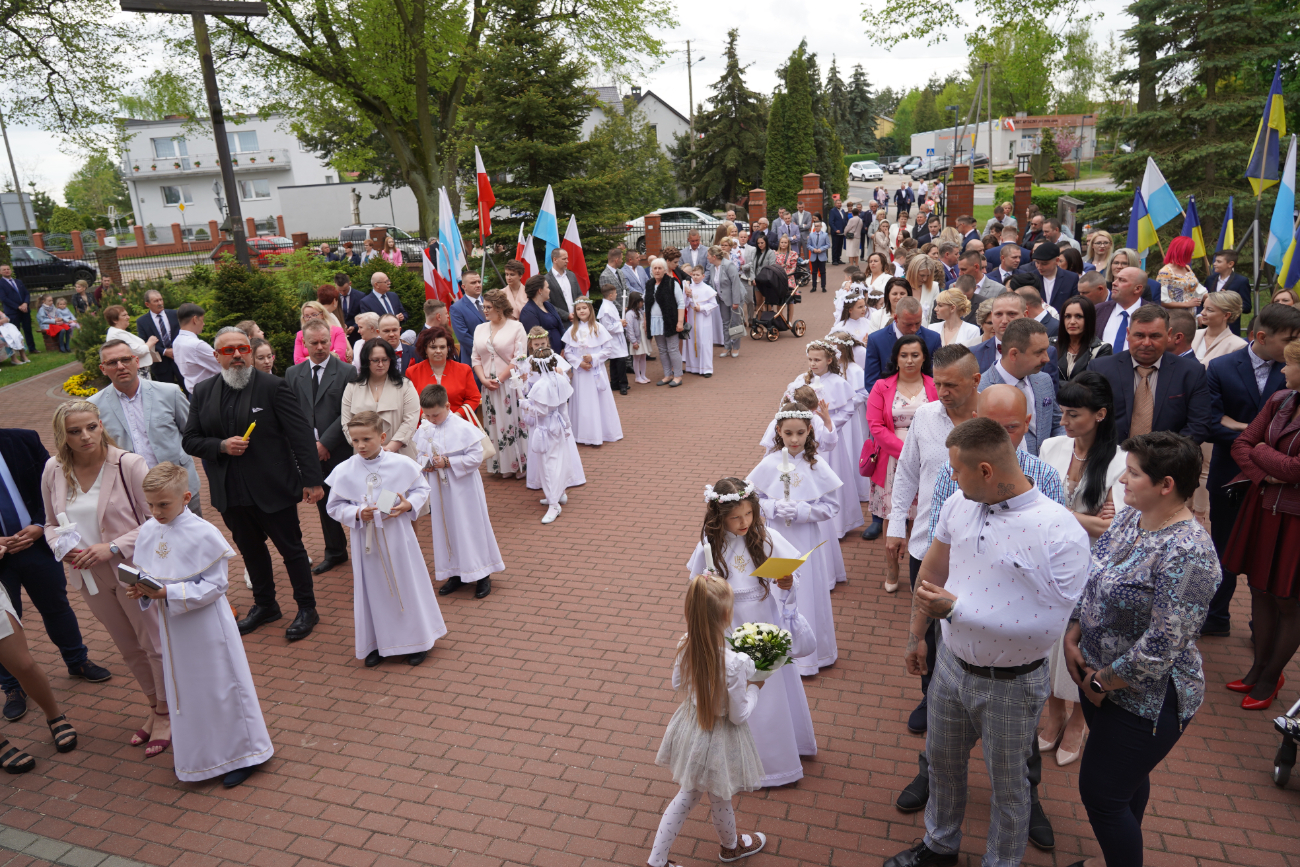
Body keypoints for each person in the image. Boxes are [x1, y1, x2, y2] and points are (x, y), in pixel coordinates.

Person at [885, 417, 1089, 867]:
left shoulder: (1059, 531)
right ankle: (939, 846)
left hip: (1011, 684)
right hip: (950, 668)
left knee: (1010, 787)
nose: (950, 478)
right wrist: (917, 634)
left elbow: (1045, 627)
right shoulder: (959, 503)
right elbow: (933, 571)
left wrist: (955, 611)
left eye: (957, 470)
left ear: (985, 470)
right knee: (942, 764)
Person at [1066, 432, 1218, 867]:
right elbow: (1094, 573)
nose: (1122, 480)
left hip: (1146, 700)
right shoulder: (1133, 517)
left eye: (1132, 473)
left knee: (1102, 795)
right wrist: (1074, 631)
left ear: (1166, 485)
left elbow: (1163, 644)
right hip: (1097, 680)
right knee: (1125, 784)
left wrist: (1102, 681)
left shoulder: (1190, 552)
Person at [127, 462, 274, 788]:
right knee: (188, 690)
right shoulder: (150, 530)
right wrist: (143, 589)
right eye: (150, 505)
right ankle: (201, 756)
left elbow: (216, 585)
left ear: (186, 497)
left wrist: (167, 593)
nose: (156, 512)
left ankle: (245, 754)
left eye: (163, 504)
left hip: (207, 626)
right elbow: (151, 573)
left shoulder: (203, 532)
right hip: (174, 627)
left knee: (221, 688)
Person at [40, 402, 170, 755]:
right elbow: (50, 523)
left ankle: (167, 712)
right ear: (62, 435)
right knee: (128, 647)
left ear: (101, 425)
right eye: (75, 431)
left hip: (132, 569)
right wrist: (61, 547)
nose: (85, 436)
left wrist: (112, 547)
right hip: (88, 576)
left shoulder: (128, 464)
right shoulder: (54, 469)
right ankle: (154, 706)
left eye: (91, 427)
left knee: (154, 644)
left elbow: (157, 519)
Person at [181, 327, 324, 642]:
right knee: (251, 551)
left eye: (242, 349)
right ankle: (266, 605)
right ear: (216, 356)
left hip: (272, 487)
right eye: (228, 350)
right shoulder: (203, 391)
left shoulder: (273, 386)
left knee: (292, 551)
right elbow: (190, 439)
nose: (237, 355)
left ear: (249, 352)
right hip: (230, 491)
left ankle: (307, 608)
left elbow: (300, 435)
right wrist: (221, 446)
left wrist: (312, 480)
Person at [685, 476, 814, 785]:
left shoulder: (766, 538)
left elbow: (790, 577)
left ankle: (778, 759)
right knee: (736, 688)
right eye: (735, 517)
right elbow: (697, 591)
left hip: (765, 623)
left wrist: (787, 582)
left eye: (748, 514)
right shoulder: (709, 549)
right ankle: (739, 762)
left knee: (771, 687)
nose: (744, 522)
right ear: (719, 517)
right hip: (729, 629)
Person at [885, 345, 981, 735]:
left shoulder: (994, 418)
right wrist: (896, 525)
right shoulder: (925, 417)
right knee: (927, 629)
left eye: (951, 385)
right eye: (938, 383)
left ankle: (971, 701)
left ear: (975, 380)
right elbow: (907, 472)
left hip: (976, 552)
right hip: (926, 546)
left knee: (968, 627)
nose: (942, 392)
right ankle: (931, 697)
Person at [1037, 373, 1127, 769]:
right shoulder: (1051, 446)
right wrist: (1085, 518)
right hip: (1048, 561)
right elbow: (1033, 501)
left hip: (1092, 568)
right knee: (1048, 639)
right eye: (1062, 412)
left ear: (1100, 415)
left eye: (1073, 414)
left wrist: (1059, 513)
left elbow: (1114, 528)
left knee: (1082, 642)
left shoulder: (1121, 461)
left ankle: (1079, 720)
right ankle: (1054, 712)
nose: (1064, 421)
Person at [646, 574, 768, 867]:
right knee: (708, 795)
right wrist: (755, 689)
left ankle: (725, 846)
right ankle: (719, 849)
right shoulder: (735, 663)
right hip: (720, 738)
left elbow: (677, 684)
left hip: (691, 728)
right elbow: (738, 715)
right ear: (726, 615)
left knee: (698, 794)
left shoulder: (685, 643)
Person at [0, 427, 112, 722]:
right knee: (4, 626)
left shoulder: (22, 440)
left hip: (36, 544)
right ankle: (12, 687)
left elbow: (51, 488)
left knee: (56, 605)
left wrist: (40, 525)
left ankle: (77, 660)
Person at [1202, 303, 1300, 637]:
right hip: (1230, 477)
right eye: (1289, 339)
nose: (1294, 346)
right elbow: (1211, 423)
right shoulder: (1221, 367)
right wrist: (1258, 444)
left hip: (1280, 487)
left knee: (1270, 557)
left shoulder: (1293, 370)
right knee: (1223, 549)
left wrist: (1250, 436)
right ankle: (1216, 616)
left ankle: (1264, 630)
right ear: (1261, 336)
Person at [326, 412, 446, 667]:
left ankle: (419, 641)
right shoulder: (345, 470)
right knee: (374, 592)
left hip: (397, 535)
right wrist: (357, 512)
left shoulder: (401, 463)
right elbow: (334, 507)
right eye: (355, 440)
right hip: (366, 541)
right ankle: (378, 643)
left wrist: (407, 505)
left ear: (382, 437)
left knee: (407, 584)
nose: (360, 445)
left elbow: (421, 489)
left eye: (366, 439)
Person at [1222, 338, 1300, 708]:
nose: (1283, 370)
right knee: (1259, 589)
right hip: (1264, 504)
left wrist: (1262, 452)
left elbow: (1296, 469)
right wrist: (1265, 473)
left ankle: (1270, 678)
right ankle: (1257, 670)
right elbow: (1241, 444)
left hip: (1295, 519)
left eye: (1290, 364)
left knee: (1288, 599)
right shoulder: (1280, 400)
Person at [746, 405, 842, 672]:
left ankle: (810, 657)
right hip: (776, 536)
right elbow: (753, 499)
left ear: (809, 430)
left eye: (800, 433)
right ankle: (776, 651)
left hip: (805, 537)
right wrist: (772, 507)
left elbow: (831, 506)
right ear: (778, 431)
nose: (795, 439)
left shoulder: (817, 464)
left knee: (807, 588)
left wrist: (802, 511)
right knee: (777, 588)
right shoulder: (770, 463)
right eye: (788, 433)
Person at [89, 339, 202, 515]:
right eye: (112, 362)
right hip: (133, 495)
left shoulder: (169, 393)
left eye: (125, 359)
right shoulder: (94, 407)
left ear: (136, 361)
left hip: (179, 487)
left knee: (192, 532)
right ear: (103, 369)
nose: (120, 366)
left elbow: (193, 432)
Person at [414, 385, 503, 598]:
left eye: (435, 414)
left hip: (464, 488)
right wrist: (426, 464)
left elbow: (476, 457)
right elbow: (419, 455)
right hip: (440, 490)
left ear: (447, 406)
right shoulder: (426, 428)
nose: (431, 419)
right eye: (427, 415)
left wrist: (448, 462)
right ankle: (455, 572)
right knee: (447, 528)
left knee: (470, 526)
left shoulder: (463, 427)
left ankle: (482, 573)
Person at [285, 321, 359, 576]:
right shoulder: (293, 374)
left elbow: (348, 412)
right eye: (314, 343)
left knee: (354, 498)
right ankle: (335, 551)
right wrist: (311, 447)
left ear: (330, 341)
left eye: (324, 342)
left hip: (340, 449)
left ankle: (366, 549)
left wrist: (325, 443)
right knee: (325, 502)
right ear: (304, 344)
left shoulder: (347, 371)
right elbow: (292, 414)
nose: (319, 347)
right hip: (310, 452)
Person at [867, 336, 938, 592]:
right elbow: (875, 425)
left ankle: (920, 569)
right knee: (892, 516)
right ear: (896, 358)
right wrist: (907, 453)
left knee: (923, 516)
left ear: (924, 358)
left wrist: (922, 454)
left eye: (915, 355)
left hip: (928, 460)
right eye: (904, 355)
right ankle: (892, 567)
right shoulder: (882, 386)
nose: (909, 360)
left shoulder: (934, 385)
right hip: (891, 462)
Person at [1090, 305, 1212, 442]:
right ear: (1128, 334)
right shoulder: (1100, 369)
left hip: (1169, 453)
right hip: (1111, 452)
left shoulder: (1191, 372)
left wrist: (1164, 452)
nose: (1146, 343)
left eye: (1155, 336)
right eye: (1139, 335)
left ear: (1169, 335)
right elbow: (1088, 417)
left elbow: (1199, 425)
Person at [786, 339, 862, 539]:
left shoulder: (838, 382)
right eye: (810, 359)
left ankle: (836, 525)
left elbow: (848, 409)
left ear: (829, 360)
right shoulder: (802, 380)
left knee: (830, 475)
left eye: (817, 360)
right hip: (804, 436)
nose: (813, 363)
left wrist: (828, 425)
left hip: (829, 437)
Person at [515, 329, 584, 524]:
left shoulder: (540, 386)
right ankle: (559, 492)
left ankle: (554, 504)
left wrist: (524, 404)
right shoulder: (559, 380)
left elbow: (540, 411)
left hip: (545, 428)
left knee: (548, 465)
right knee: (558, 460)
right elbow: (563, 407)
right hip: (559, 426)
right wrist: (567, 426)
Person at [977, 317, 1062, 456]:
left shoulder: (1044, 380)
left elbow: (1057, 422)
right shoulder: (982, 390)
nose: (1046, 358)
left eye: (1046, 350)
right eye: (1039, 352)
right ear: (1014, 354)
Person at [471, 289, 528, 477]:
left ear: (500, 307)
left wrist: (499, 379)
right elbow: (475, 358)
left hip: (510, 384)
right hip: (488, 385)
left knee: (513, 422)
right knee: (494, 425)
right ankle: (502, 466)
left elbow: (519, 357)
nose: (485, 310)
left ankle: (519, 465)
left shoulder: (516, 327)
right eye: (484, 307)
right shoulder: (480, 329)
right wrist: (483, 380)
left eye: (489, 307)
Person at [340, 337, 420, 461]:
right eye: (375, 360)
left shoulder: (405, 385)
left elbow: (411, 420)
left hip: (400, 455)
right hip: (364, 455)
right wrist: (363, 446)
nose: (381, 364)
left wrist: (389, 449)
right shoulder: (352, 387)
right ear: (366, 361)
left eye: (385, 360)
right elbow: (346, 423)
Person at [563, 297, 623, 445]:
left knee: (599, 400)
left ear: (590, 309)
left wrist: (594, 358)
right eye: (578, 309)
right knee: (582, 401)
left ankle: (602, 433)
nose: (581, 311)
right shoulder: (572, 330)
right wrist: (579, 363)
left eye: (584, 308)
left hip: (596, 371)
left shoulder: (598, 328)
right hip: (581, 373)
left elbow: (608, 349)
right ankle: (583, 435)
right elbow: (568, 352)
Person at [862, 296, 942, 395]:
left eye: (917, 323)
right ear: (896, 318)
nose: (914, 329)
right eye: (908, 324)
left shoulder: (933, 339)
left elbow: (937, 377)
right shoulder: (876, 340)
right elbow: (871, 381)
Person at [405, 325, 479, 420]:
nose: (438, 351)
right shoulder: (412, 372)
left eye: (442, 347)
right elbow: (409, 402)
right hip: (425, 423)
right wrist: (425, 417)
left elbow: (473, 398)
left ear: (448, 348)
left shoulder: (464, 370)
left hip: (459, 422)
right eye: (433, 347)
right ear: (425, 349)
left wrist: (456, 416)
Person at [646, 257, 686, 387]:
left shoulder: (672, 283)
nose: (657, 270)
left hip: (670, 321)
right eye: (655, 268)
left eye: (660, 268)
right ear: (652, 270)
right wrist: (646, 323)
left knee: (673, 349)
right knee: (662, 350)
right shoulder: (649, 284)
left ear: (664, 270)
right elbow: (646, 305)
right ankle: (668, 375)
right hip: (655, 322)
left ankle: (678, 376)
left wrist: (680, 322)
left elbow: (681, 303)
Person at [1058, 295, 1112, 382]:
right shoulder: (1051, 345)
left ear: (1089, 319)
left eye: (1078, 316)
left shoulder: (1101, 349)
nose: (1072, 322)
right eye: (1068, 316)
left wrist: (1058, 384)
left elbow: (1094, 385)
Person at [134, 290, 182, 386]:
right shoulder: (142, 321)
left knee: (190, 390)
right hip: (161, 364)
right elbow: (144, 341)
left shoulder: (175, 314)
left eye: (161, 300)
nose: (160, 303)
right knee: (166, 392)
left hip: (180, 359)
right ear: (147, 304)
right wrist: (164, 351)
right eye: (156, 301)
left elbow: (184, 333)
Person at [172, 302, 221, 393]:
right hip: (207, 393)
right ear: (195, 319)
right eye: (202, 320)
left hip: (193, 391)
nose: (204, 324)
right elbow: (223, 365)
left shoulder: (177, 341)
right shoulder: (196, 345)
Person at [680, 266, 718, 378]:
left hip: (703, 319)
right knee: (692, 342)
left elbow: (713, 304)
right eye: (694, 275)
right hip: (691, 318)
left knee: (704, 342)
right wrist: (687, 296)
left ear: (703, 276)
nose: (695, 277)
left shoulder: (707, 289)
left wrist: (701, 308)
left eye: (698, 275)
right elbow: (684, 304)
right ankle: (693, 367)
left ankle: (706, 369)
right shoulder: (689, 288)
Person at [104, 304, 158, 379]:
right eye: (124, 315)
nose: (128, 317)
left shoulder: (118, 332)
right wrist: (150, 342)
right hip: (137, 372)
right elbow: (137, 351)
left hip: (140, 370)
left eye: (127, 314)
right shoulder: (117, 334)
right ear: (114, 320)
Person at [1207, 249, 1252, 336]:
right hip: (1209, 326)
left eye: (1219, 262)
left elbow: (1247, 307)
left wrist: (1229, 301)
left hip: (1230, 328)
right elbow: (1202, 301)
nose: (1214, 264)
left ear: (1230, 264)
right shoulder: (1210, 279)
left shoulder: (1241, 281)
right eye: (1215, 261)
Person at [1194, 291, 1246, 364]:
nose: (1202, 312)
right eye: (1203, 308)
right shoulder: (1193, 335)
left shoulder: (1238, 345)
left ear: (1226, 315)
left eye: (1209, 310)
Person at [518, 274, 565, 353]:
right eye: (547, 287)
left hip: (561, 353)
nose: (549, 290)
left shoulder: (548, 305)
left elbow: (561, 327)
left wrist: (564, 348)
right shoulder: (528, 312)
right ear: (540, 290)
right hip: (544, 356)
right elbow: (535, 339)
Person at [450, 269, 488, 367]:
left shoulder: (489, 302)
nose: (478, 285)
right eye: (473, 283)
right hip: (473, 360)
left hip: (496, 358)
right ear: (464, 287)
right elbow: (463, 336)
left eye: (479, 282)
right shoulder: (457, 308)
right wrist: (486, 351)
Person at [293, 301, 350, 365]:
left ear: (322, 314)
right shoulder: (300, 335)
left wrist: (310, 358)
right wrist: (329, 355)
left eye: (314, 315)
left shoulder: (337, 331)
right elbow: (297, 361)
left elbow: (338, 355)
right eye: (306, 316)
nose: (310, 318)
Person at [1157, 237, 1205, 311]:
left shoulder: (1187, 268)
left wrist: (1217, 297)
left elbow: (1199, 290)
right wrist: (1187, 304)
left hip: (1191, 314)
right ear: (1183, 253)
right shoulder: (1165, 272)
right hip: (1175, 315)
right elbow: (1162, 301)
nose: (1193, 254)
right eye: (1191, 252)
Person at [0, 264, 33, 354]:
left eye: (8, 269)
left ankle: (32, 348)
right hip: (12, 311)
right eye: (4, 270)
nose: (6, 271)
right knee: (15, 332)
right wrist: (18, 307)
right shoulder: (1, 284)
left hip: (25, 310)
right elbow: (4, 298)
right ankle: (18, 351)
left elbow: (26, 293)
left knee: (28, 329)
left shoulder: (18, 282)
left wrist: (25, 303)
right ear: (0, 272)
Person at [545, 248, 581, 324]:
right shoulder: (546, 279)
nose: (567, 261)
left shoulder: (571, 275)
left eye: (567, 258)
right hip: (560, 323)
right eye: (564, 259)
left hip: (577, 320)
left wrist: (580, 311)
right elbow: (547, 303)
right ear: (555, 260)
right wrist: (566, 315)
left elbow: (579, 295)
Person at [335, 272, 366, 337]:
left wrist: (355, 326)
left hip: (356, 333)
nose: (343, 293)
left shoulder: (360, 296)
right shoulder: (334, 296)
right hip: (338, 333)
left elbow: (364, 315)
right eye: (340, 290)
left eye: (345, 290)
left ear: (350, 283)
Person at [807, 219, 829, 292]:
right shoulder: (811, 235)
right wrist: (813, 249)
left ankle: (823, 286)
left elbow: (828, 245)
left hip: (821, 256)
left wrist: (821, 249)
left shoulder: (825, 235)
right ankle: (814, 287)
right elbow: (808, 245)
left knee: (823, 272)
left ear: (821, 226)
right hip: (814, 256)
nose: (816, 227)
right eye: (815, 226)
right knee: (814, 272)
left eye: (818, 226)